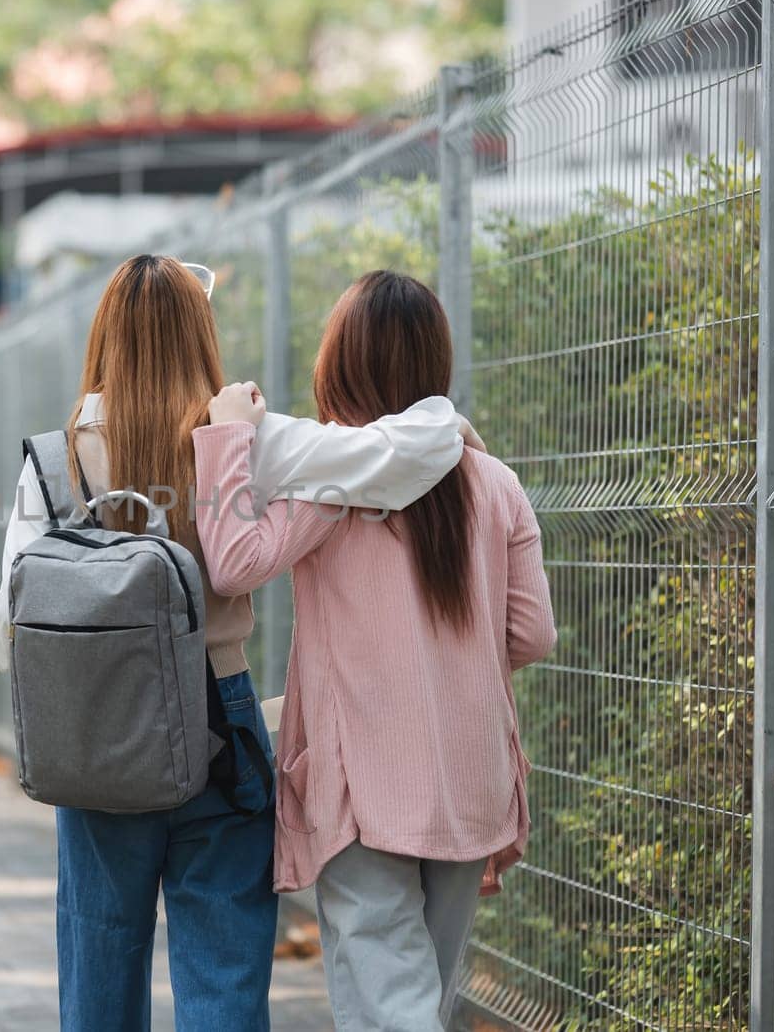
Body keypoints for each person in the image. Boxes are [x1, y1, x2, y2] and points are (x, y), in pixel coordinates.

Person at [0, 255, 479, 1032]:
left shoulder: (53, 462)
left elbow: (6, 622)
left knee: (99, 962)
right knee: (224, 976)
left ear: (104, 337)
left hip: (94, 735)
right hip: (220, 729)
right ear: (200, 334)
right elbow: (391, 453)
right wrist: (449, 430)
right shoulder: (246, 437)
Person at [191, 270, 558, 1031]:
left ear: (342, 365)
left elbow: (230, 562)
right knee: (424, 994)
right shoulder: (494, 482)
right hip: (471, 776)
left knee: (392, 1007)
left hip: (364, 786)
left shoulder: (335, 484)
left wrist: (226, 437)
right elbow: (532, 634)